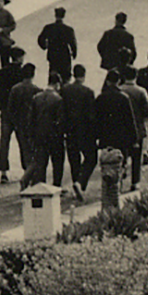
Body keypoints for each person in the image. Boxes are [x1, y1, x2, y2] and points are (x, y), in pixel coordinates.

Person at [94, 69, 138, 209]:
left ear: (107, 81)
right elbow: (130, 121)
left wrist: (96, 138)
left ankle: (106, 199)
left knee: (106, 169)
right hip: (121, 140)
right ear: (119, 81)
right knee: (119, 168)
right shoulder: (124, 98)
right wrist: (134, 140)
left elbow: (95, 120)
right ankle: (116, 196)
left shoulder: (100, 98)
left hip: (105, 140)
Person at [60, 64, 99, 200]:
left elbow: (61, 111)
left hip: (70, 130)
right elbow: (92, 115)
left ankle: (77, 183)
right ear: (84, 75)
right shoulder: (88, 92)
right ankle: (80, 183)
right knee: (91, 158)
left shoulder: (64, 90)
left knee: (74, 159)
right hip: (85, 131)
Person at [21, 72, 65, 189]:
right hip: (54, 137)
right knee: (57, 163)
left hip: (39, 136)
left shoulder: (37, 97)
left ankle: (40, 186)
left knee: (41, 163)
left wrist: (31, 135)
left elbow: (31, 118)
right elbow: (60, 121)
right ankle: (56, 186)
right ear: (57, 84)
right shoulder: (58, 99)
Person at [4, 63, 43, 185]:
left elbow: (10, 109)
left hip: (20, 125)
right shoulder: (37, 90)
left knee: (24, 149)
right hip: (33, 126)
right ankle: (30, 176)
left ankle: (27, 170)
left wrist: (15, 122)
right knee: (34, 151)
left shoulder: (15, 89)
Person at [0, 49, 26, 183]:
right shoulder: (22, 73)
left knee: (4, 142)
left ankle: (3, 172)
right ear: (19, 58)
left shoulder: (1, 73)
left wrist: (1, 106)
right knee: (23, 141)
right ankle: (26, 169)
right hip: (20, 113)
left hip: (6, 112)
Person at [119, 67, 148, 189]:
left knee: (122, 153)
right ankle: (135, 182)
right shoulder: (141, 91)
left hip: (122, 128)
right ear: (136, 76)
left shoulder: (119, 90)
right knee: (136, 156)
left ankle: (121, 173)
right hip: (137, 128)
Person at [36, 6, 78, 84]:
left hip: (53, 55)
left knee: (53, 77)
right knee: (65, 79)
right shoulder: (68, 29)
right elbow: (73, 44)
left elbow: (40, 39)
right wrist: (74, 54)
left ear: (55, 15)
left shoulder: (49, 28)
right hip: (65, 56)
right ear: (64, 15)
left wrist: (45, 46)